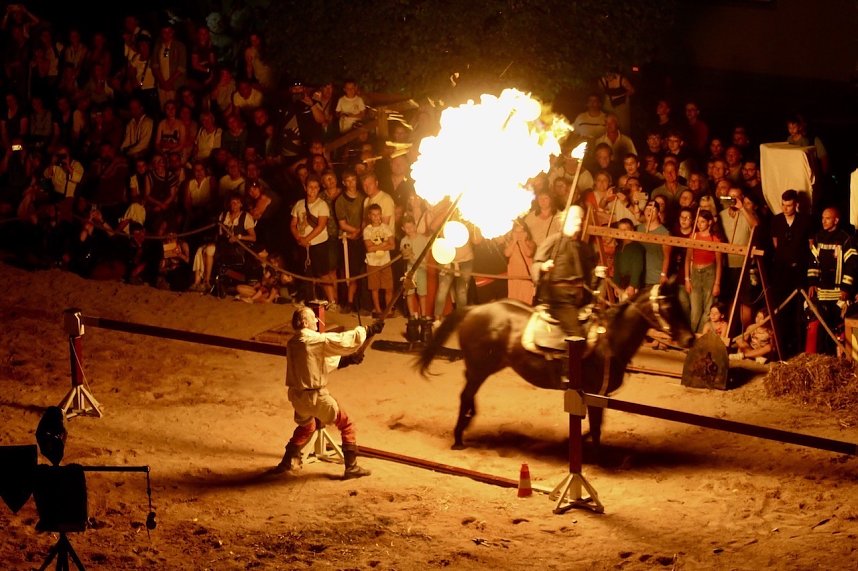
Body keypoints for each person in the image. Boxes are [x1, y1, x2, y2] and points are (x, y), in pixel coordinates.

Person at [274, 306, 384, 479]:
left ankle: (286, 461)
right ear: (304, 322)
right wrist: (367, 330)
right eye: (313, 318)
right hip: (315, 397)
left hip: (297, 398)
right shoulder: (312, 340)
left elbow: (318, 362)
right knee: (346, 424)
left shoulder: (293, 343)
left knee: (306, 426)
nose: (317, 321)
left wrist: (349, 360)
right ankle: (351, 467)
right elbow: (341, 340)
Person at [532, 205, 598, 338]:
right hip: (559, 300)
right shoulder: (553, 241)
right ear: (564, 220)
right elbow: (536, 264)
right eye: (575, 218)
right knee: (577, 335)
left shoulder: (583, 247)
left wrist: (597, 274)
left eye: (581, 218)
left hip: (580, 299)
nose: (579, 221)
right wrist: (543, 266)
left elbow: (589, 274)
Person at [808, 207, 855, 355]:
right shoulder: (818, 238)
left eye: (827, 218)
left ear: (836, 220)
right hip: (822, 292)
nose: (823, 221)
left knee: (838, 327)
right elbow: (813, 262)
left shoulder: (846, 239)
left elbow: (852, 265)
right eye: (822, 218)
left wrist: (846, 288)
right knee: (822, 328)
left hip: (838, 293)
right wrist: (812, 283)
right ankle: (824, 356)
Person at [363, 203, 395, 318]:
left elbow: (392, 245)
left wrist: (378, 246)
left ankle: (389, 309)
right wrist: (384, 244)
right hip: (372, 263)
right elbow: (369, 248)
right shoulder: (367, 230)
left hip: (385, 262)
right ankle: (377, 310)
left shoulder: (386, 228)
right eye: (374, 215)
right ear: (369, 216)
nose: (376, 217)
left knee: (388, 287)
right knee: (374, 287)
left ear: (381, 215)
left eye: (378, 215)